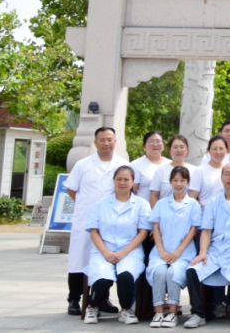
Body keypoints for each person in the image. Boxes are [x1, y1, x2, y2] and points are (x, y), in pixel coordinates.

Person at [66, 127, 132, 315]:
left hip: (111, 221)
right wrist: (85, 205)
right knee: (79, 259)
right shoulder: (82, 164)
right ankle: (74, 299)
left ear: (115, 141)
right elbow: (71, 188)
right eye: (102, 139)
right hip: (85, 218)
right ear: (95, 142)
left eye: (110, 139)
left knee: (106, 260)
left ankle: (102, 298)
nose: (106, 143)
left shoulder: (123, 164)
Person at [185, 162, 230, 329]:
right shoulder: (213, 202)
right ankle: (198, 313)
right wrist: (203, 252)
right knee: (192, 270)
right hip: (215, 250)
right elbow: (206, 231)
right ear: (221, 177)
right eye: (227, 174)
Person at [82, 165, 152, 325]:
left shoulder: (141, 204)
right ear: (113, 181)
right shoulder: (101, 204)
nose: (122, 182)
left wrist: (123, 253)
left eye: (126, 179)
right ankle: (92, 307)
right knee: (103, 277)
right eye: (119, 179)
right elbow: (94, 231)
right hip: (103, 250)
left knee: (125, 276)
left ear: (132, 182)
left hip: (130, 251)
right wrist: (105, 252)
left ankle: (126, 310)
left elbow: (143, 233)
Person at [147, 165, 202, 328]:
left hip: (184, 253)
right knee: (159, 271)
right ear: (170, 182)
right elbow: (156, 228)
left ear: (188, 182)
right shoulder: (161, 203)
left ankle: (172, 312)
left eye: (182, 180)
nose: (179, 184)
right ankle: (158, 312)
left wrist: (178, 251)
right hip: (161, 252)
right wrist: (161, 251)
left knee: (172, 273)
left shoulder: (193, 204)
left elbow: (193, 230)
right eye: (175, 180)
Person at [151, 135, 196, 208]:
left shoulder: (194, 170)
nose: (179, 150)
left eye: (182, 147)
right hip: (164, 211)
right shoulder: (160, 170)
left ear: (187, 149)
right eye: (175, 147)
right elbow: (154, 195)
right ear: (169, 150)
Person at [190, 136, 228, 207]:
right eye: (214, 149)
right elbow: (192, 198)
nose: (218, 152)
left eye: (221, 149)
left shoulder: (228, 171)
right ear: (209, 151)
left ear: (226, 150)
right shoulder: (200, 171)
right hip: (205, 211)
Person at [131, 131, 171, 196]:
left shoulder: (170, 164)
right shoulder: (136, 165)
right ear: (144, 146)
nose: (155, 145)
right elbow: (131, 191)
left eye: (158, 141)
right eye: (151, 141)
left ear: (163, 145)